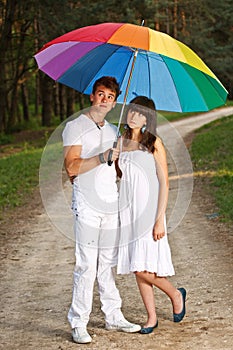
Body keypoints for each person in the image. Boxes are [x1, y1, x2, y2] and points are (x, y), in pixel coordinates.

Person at [62, 76, 141, 344]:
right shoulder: (75, 127)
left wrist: (121, 155)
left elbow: (115, 169)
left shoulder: (111, 131)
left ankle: (113, 315)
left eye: (110, 96)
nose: (105, 99)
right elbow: (71, 167)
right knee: (86, 264)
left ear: (114, 101)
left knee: (107, 262)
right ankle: (78, 321)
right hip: (86, 205)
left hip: (110, 203)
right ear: (92, 96)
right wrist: (102, 156)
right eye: (100, 94)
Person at [117, 96, 186, 334]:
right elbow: (121, 176)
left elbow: (164, 183)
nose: (134, 117)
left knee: (142, 268)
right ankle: (151, 317)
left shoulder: (154, 143)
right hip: (128, 212)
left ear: (148, 119)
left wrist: (159, 219)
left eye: (140, 114)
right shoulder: (121, 141)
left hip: (149, 211)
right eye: (132, 112)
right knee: (138, 262)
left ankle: (175, 294)